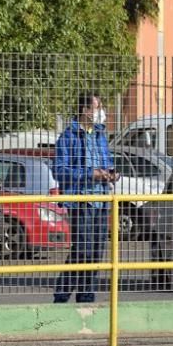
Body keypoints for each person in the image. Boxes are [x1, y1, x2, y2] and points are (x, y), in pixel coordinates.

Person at [52, 92, 119, 303]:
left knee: (96, 253)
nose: (101, 113)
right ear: (85, 110)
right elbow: (59, 171)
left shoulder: (100, 135)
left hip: (101, 201)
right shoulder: (68, 137)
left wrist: (110, 173)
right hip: (81, 201)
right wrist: (90, 173)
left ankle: (86, 298)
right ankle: (61, 297)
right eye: (97, 108)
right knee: (82, 250)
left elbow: (106, 160)